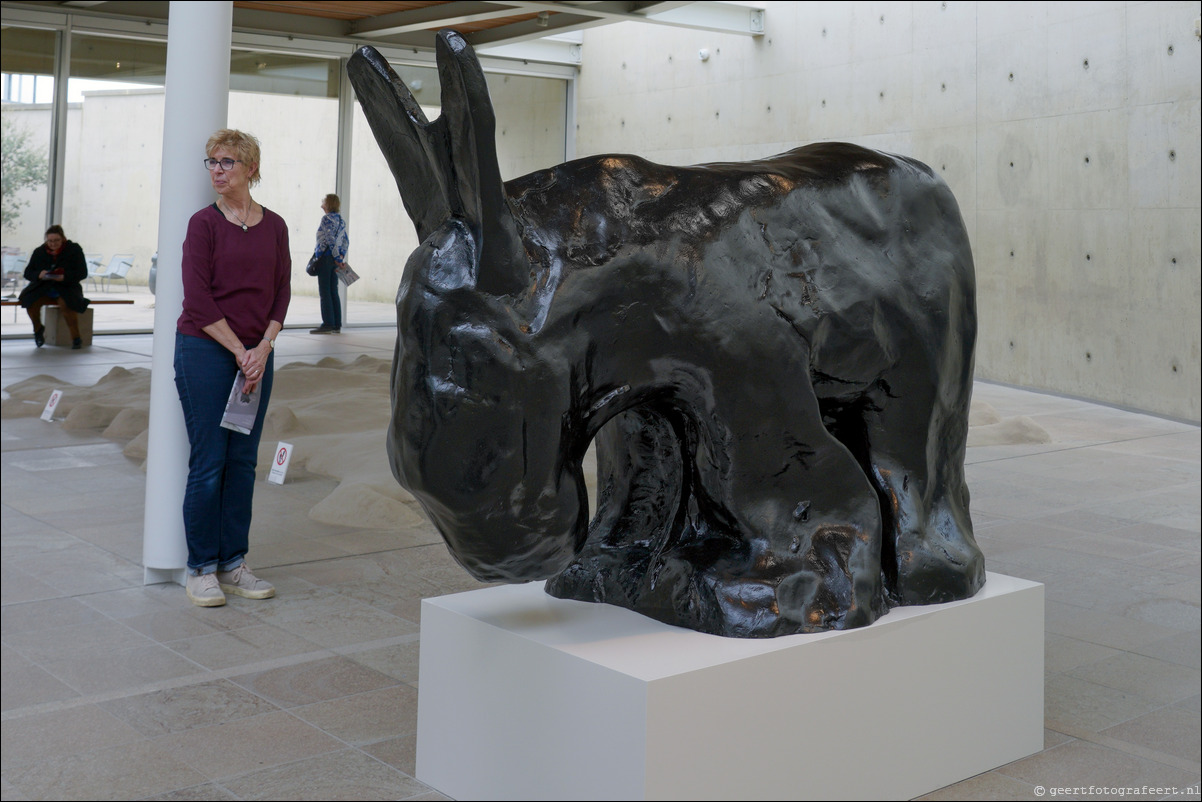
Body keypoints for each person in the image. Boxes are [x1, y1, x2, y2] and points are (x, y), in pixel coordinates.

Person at [175, 128, 291, 607]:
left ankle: (233, 562)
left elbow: (282, 291)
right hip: (205, 352)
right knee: (209, 463)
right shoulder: (203, 224)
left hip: (255, 356)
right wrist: (240, 351)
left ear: (251, 169)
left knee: (242, 464)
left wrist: (262, 347)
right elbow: (197, 299)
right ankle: (200, 568)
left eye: (226, 162)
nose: (216, 170)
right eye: (211, 162)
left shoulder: (276, 225)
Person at [18, 225, 90, 349]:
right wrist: (39, 274)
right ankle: (38, 330)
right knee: (30, 303)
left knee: (67, 306)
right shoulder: (39, 251)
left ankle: (76, 338)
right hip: (43, 287)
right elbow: (28, 272)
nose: (53, 244)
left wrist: (64, 276)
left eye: (56, 240)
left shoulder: (74, 250)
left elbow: (82, 272)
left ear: (63, 238)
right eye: (50, 241)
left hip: (66, 287)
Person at [308, 193, 348, 334]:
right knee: (333, 291)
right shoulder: (341, 221)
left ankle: (328, 324)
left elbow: (330, 240)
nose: (321, 205)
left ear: (329, 204)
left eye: (323, 202)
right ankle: (337, 324)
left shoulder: (326, 219)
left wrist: (336, 256)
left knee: (325, 292)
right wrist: (340, 257)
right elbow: (345, 241)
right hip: (335, 261)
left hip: (326, 259)